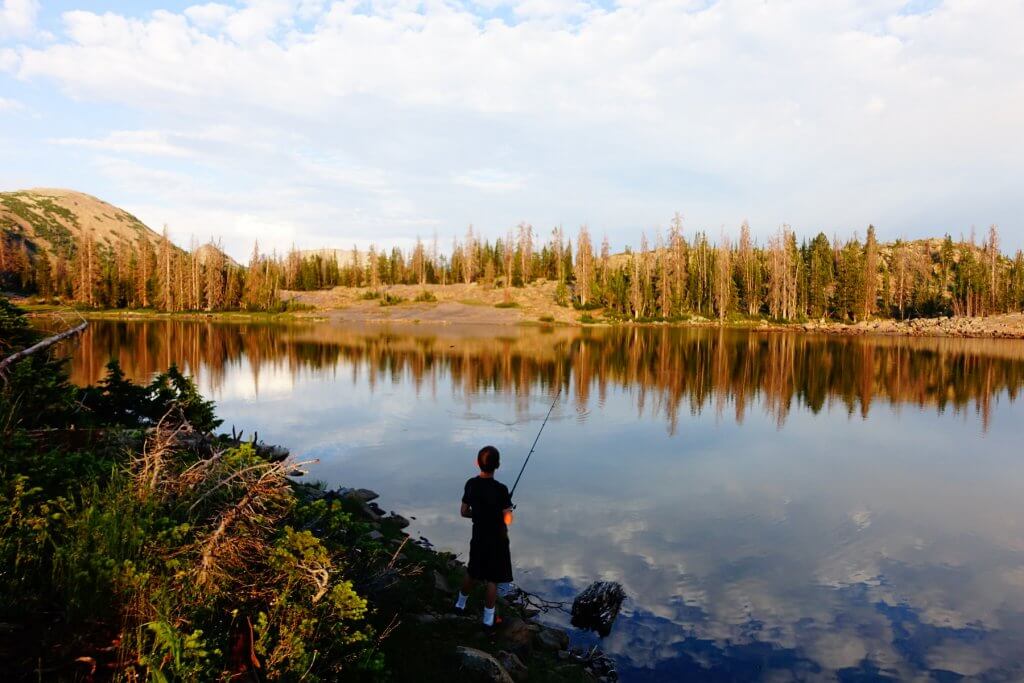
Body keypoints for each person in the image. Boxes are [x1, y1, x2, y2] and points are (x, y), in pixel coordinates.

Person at [455, 445, 514, 628]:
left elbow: (464, 512)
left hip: (478, 537)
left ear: (477, 463)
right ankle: (488, 620)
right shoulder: (501, 489)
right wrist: (508, 510)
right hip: (497, 539)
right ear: (498, 465)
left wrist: (479, 514)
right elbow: (508, 519)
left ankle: (460, 604)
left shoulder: (471, 484)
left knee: (473, 572)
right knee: (492, 579)